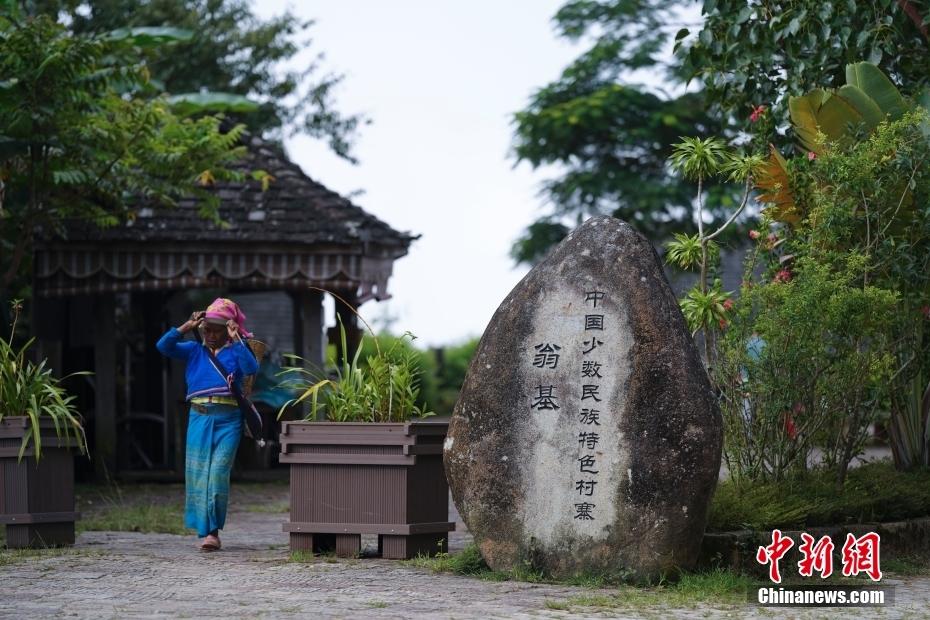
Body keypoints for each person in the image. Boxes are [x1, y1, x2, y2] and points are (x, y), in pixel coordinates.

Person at [156, 298, 258, 551]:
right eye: (207, 330)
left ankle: (214, 533)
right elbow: (163, 346)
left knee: (218, 474)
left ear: (228, 329)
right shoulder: (193, 350)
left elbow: (251, 366)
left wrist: (237, 339)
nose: (210, 335)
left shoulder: (236, 349)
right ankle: (207, 533)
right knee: (200, 475)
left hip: (229, 420)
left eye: (217, 330)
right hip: (198, 417)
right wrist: (186, 325)